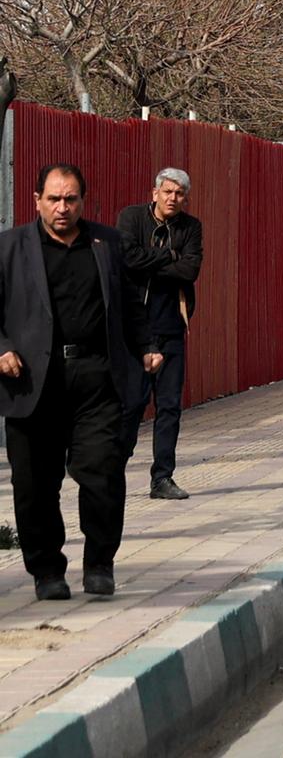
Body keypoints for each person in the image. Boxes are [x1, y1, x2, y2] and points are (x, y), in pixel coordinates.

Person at [0, 165, 161, 600]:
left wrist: (146, 345)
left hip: (96, 379)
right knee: (34, 484)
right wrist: (2, 348)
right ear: (36, 199)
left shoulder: (106, 244)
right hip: (33, 384)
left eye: (70, 199)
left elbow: (130, 304)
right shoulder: (10, 248)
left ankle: (99, 564)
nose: (62, 208)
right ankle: (47, 571)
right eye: (53, 199)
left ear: (83, 201)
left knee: (103, 472)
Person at [118, 168, 203, 501]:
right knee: (131, 404)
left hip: (170, 326)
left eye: (179, 194)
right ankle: (113, 470)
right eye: (167, 192)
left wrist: (149, 260)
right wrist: (169, 256)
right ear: (154, 192)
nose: (172, 198)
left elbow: (190, 269)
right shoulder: (131, 218)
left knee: (169, 407)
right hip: (133, 329)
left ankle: (162, 478)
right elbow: (126, 259)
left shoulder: (191, 227)